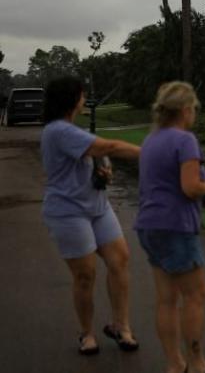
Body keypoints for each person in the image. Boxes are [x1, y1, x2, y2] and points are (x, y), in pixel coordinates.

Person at [40, 76, 142, 355]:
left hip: (97, 206)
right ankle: (86, 334)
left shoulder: (71, 129)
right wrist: (150, 153)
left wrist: (102, 170)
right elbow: (107, 147)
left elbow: (97, 155)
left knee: (119, 260)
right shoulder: (58, 130)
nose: (85, 100)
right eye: (83, 95)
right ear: (73, 99)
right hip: (68, 212)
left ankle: (121, 326)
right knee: (85, 275)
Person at [134, 82, 205, 373]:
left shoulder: (151, 139)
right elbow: (190, 188)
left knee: (166, 299)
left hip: (149, 226)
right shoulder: (185, 139)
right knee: (195, 295)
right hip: (175, 227)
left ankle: (175, 364)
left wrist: (202, 189)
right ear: (187, 109)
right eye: (195, 110)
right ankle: (198, 364)